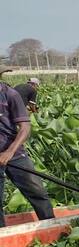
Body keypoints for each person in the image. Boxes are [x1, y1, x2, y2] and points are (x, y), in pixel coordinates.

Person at [0, 82, 53, 227]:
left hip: (14, 153)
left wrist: (9, 152)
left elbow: (25, 127)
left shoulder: (10, 94)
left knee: (36, 191)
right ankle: (3, 239)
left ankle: (51, 225)